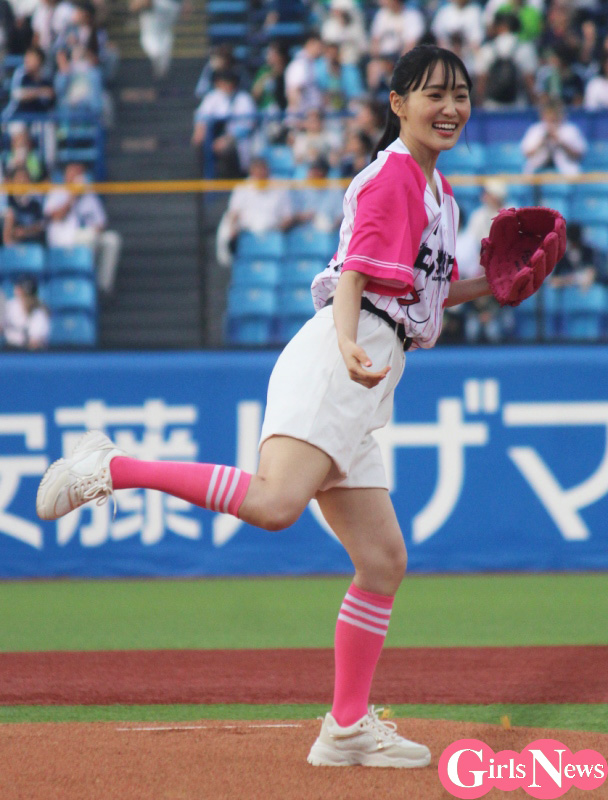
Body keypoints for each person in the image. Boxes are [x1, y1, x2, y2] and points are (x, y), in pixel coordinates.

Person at [37, 45, 497, 768]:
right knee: (277, 503)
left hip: (371, 364)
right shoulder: (393, 177)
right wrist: (346, 345)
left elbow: (423, 298)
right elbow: (354, 277)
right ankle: (112, 468)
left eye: (460, 94)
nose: (450, 106)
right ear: (398, 103)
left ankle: (346, 727)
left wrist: (497, 283)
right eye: (433, 92)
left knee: (382, 561)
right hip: (345, 355)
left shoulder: (440, 194)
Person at [44, 161, 122, 294]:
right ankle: (85, 281)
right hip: (64, 238)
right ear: (66, 175)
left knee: (112, 240)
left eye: (78, 173)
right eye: (72, 173)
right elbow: (56, 217)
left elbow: (101, 222)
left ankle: (102, 286)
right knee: (88, 237)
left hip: (88, 235)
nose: (75, 176)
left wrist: (96, 229)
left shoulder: (89, 195)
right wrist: (72, 197)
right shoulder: (57, 192)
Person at [521, 99, 587, 175]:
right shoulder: (536, 129)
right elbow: (527, 154)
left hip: (567, 171)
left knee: (574, 173)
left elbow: (579, 155)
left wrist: (561, 142)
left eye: (554, 117)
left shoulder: (570, 129)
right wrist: (542, 142)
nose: (552, 119)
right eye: (549, 116)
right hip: (537, 170)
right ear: (543, 116)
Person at [1, 277, 50, 349]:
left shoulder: (40, 313)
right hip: (10, 349)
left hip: (31, 352)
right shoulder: (10, 306)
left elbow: (35, 342)